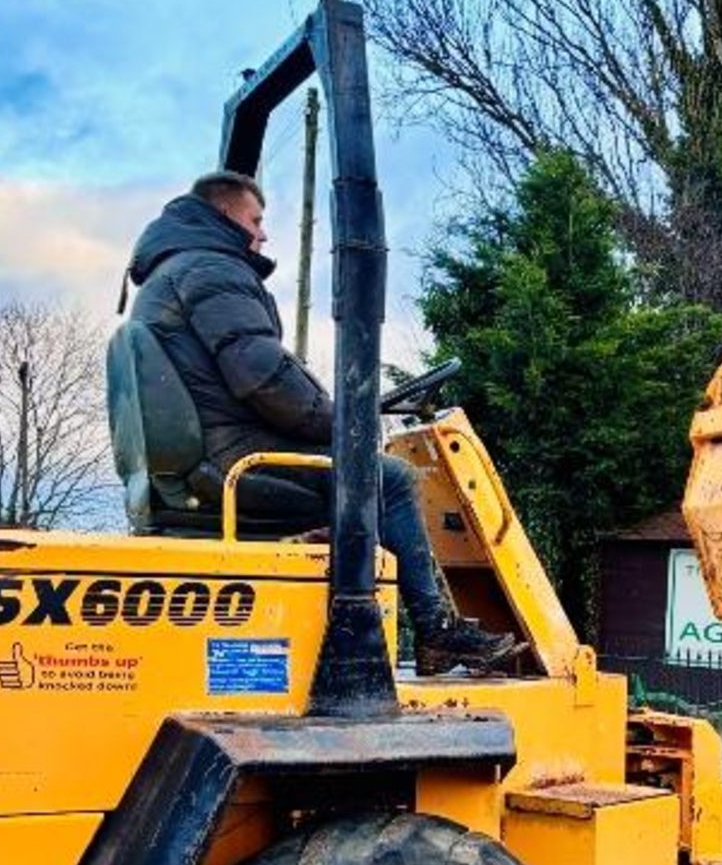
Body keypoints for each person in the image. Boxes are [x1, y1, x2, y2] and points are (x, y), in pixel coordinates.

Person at [124, 171, 518, 675]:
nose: (263, 234)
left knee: (361, 482)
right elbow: (265, 378)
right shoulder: (211, 270)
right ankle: (437, 633)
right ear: (224, 215)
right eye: (256, 220)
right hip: (231, 460)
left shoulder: (173, 272)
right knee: (389, 479)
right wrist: (344, 422)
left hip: (209, 451)